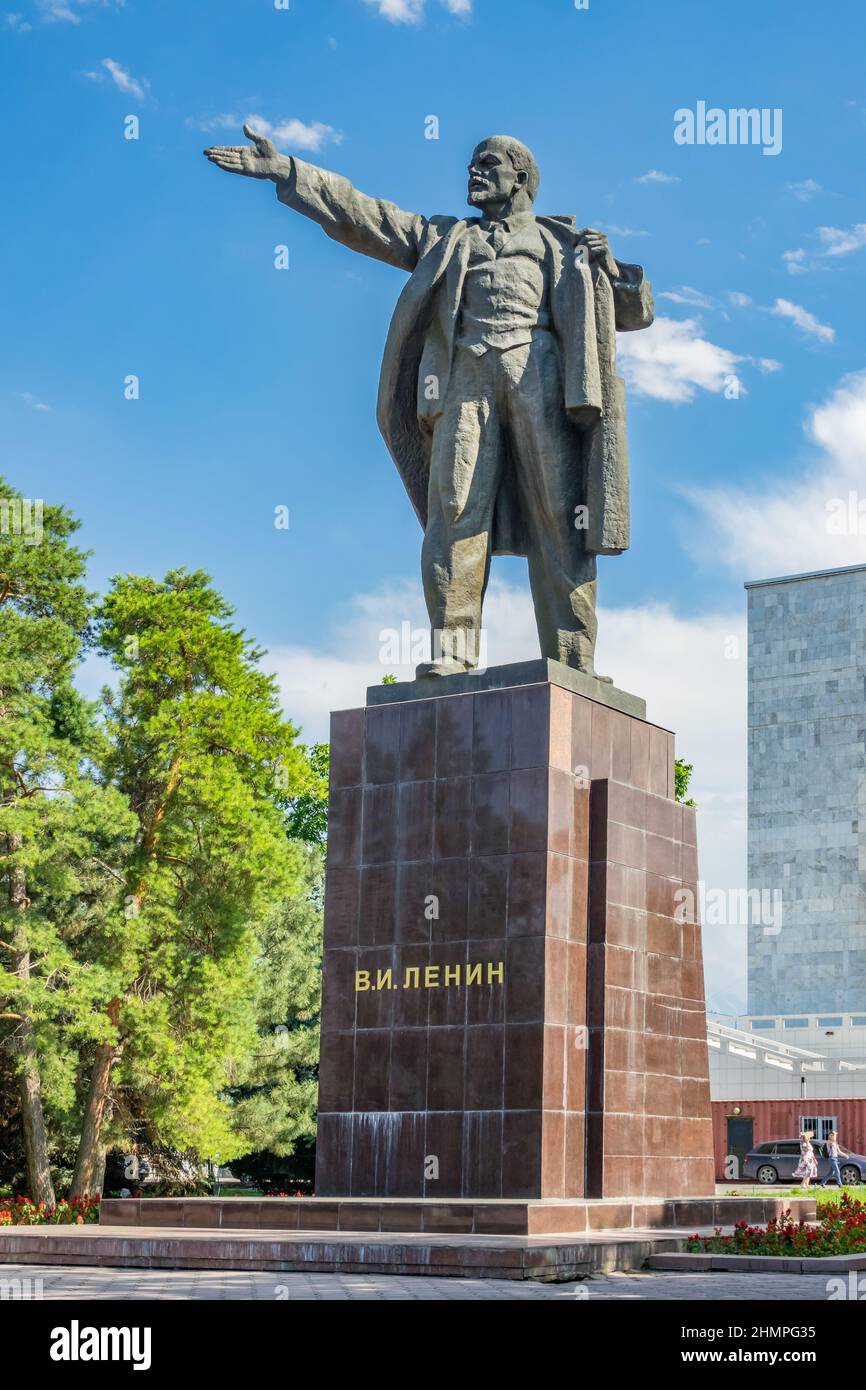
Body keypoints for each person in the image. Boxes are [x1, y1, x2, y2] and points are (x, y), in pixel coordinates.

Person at [204, 129, 654, 679]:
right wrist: (290, 172)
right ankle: (454, 652)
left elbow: (633, 314)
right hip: (463, 377)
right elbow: (365, 216)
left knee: (561, 517)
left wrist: (610, 271)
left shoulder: (564, 243)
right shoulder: (445, 236)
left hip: (541, 374)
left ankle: (574, 663)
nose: (474, 172)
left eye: (487, 164)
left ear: (522, 177)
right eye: (472, 164)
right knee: (454, 510)